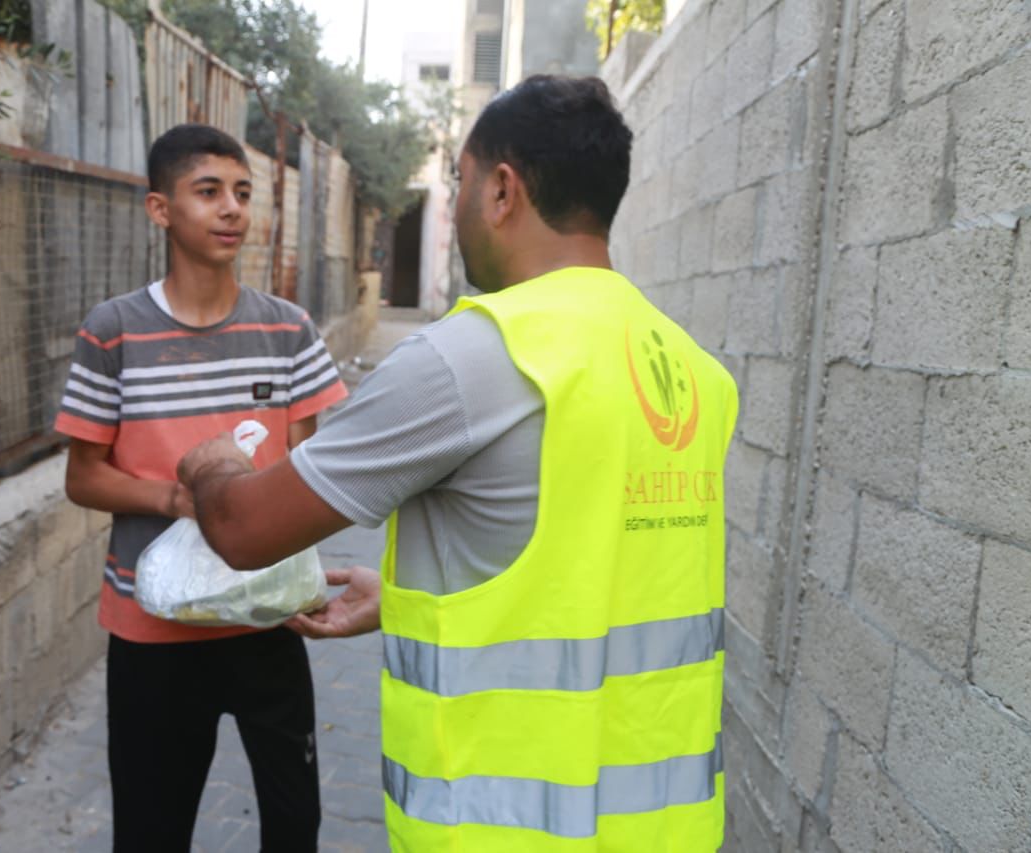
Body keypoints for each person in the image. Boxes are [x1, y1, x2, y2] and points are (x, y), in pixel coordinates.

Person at [178, 75, 739, 851]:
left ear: (502, 190)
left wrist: (211, 465)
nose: (460, 202)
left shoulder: (473, 358)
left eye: (461, 180)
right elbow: (595, 570)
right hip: (667, 829)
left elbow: (244, 529)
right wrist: (407, 602)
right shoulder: (695, 371)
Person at [54, 123, 347, 852]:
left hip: (268, 616)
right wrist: (174, 500)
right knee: (151, 832)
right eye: (209, 191)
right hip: (153, 627)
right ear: (161, 209)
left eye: (243, 193)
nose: (232, 209)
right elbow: (83, 477)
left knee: (295, 826)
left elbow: (312, 461)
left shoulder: (288, 330)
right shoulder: (114, 331)